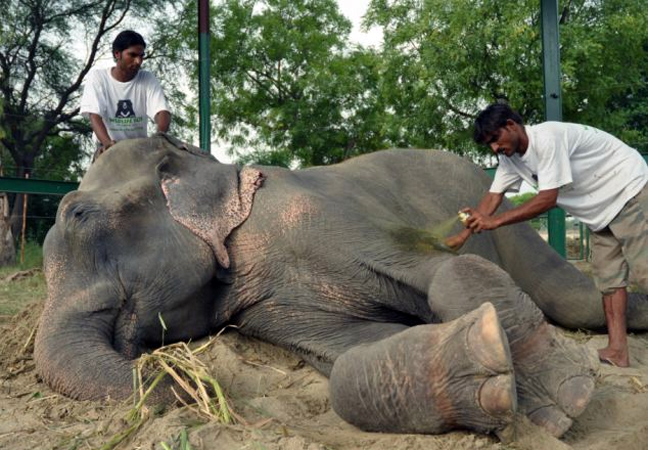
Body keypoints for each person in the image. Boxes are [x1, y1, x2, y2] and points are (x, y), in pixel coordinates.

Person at [446, 102, 648, 367]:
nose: (495, 149)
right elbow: (493, 196)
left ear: (511, 125)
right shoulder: (510, 159)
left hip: (629, 190)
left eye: (496, 139)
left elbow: (548, 199)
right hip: (600, 212)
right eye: (489, 145)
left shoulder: (548, 138)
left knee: (645, 272)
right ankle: (618, 351)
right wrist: (463, 236)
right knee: (609, 283)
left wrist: (494, 222)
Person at [80, 30, 171, 161]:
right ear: (117, 54)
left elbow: (162, 112)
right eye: (132, 55)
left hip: (139, 150)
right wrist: (108, 144)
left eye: (141, 56)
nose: (138, 61)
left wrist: (157, 138)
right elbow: (94, 115)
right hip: (108, 147)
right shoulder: (98, 77)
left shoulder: (147, 78)